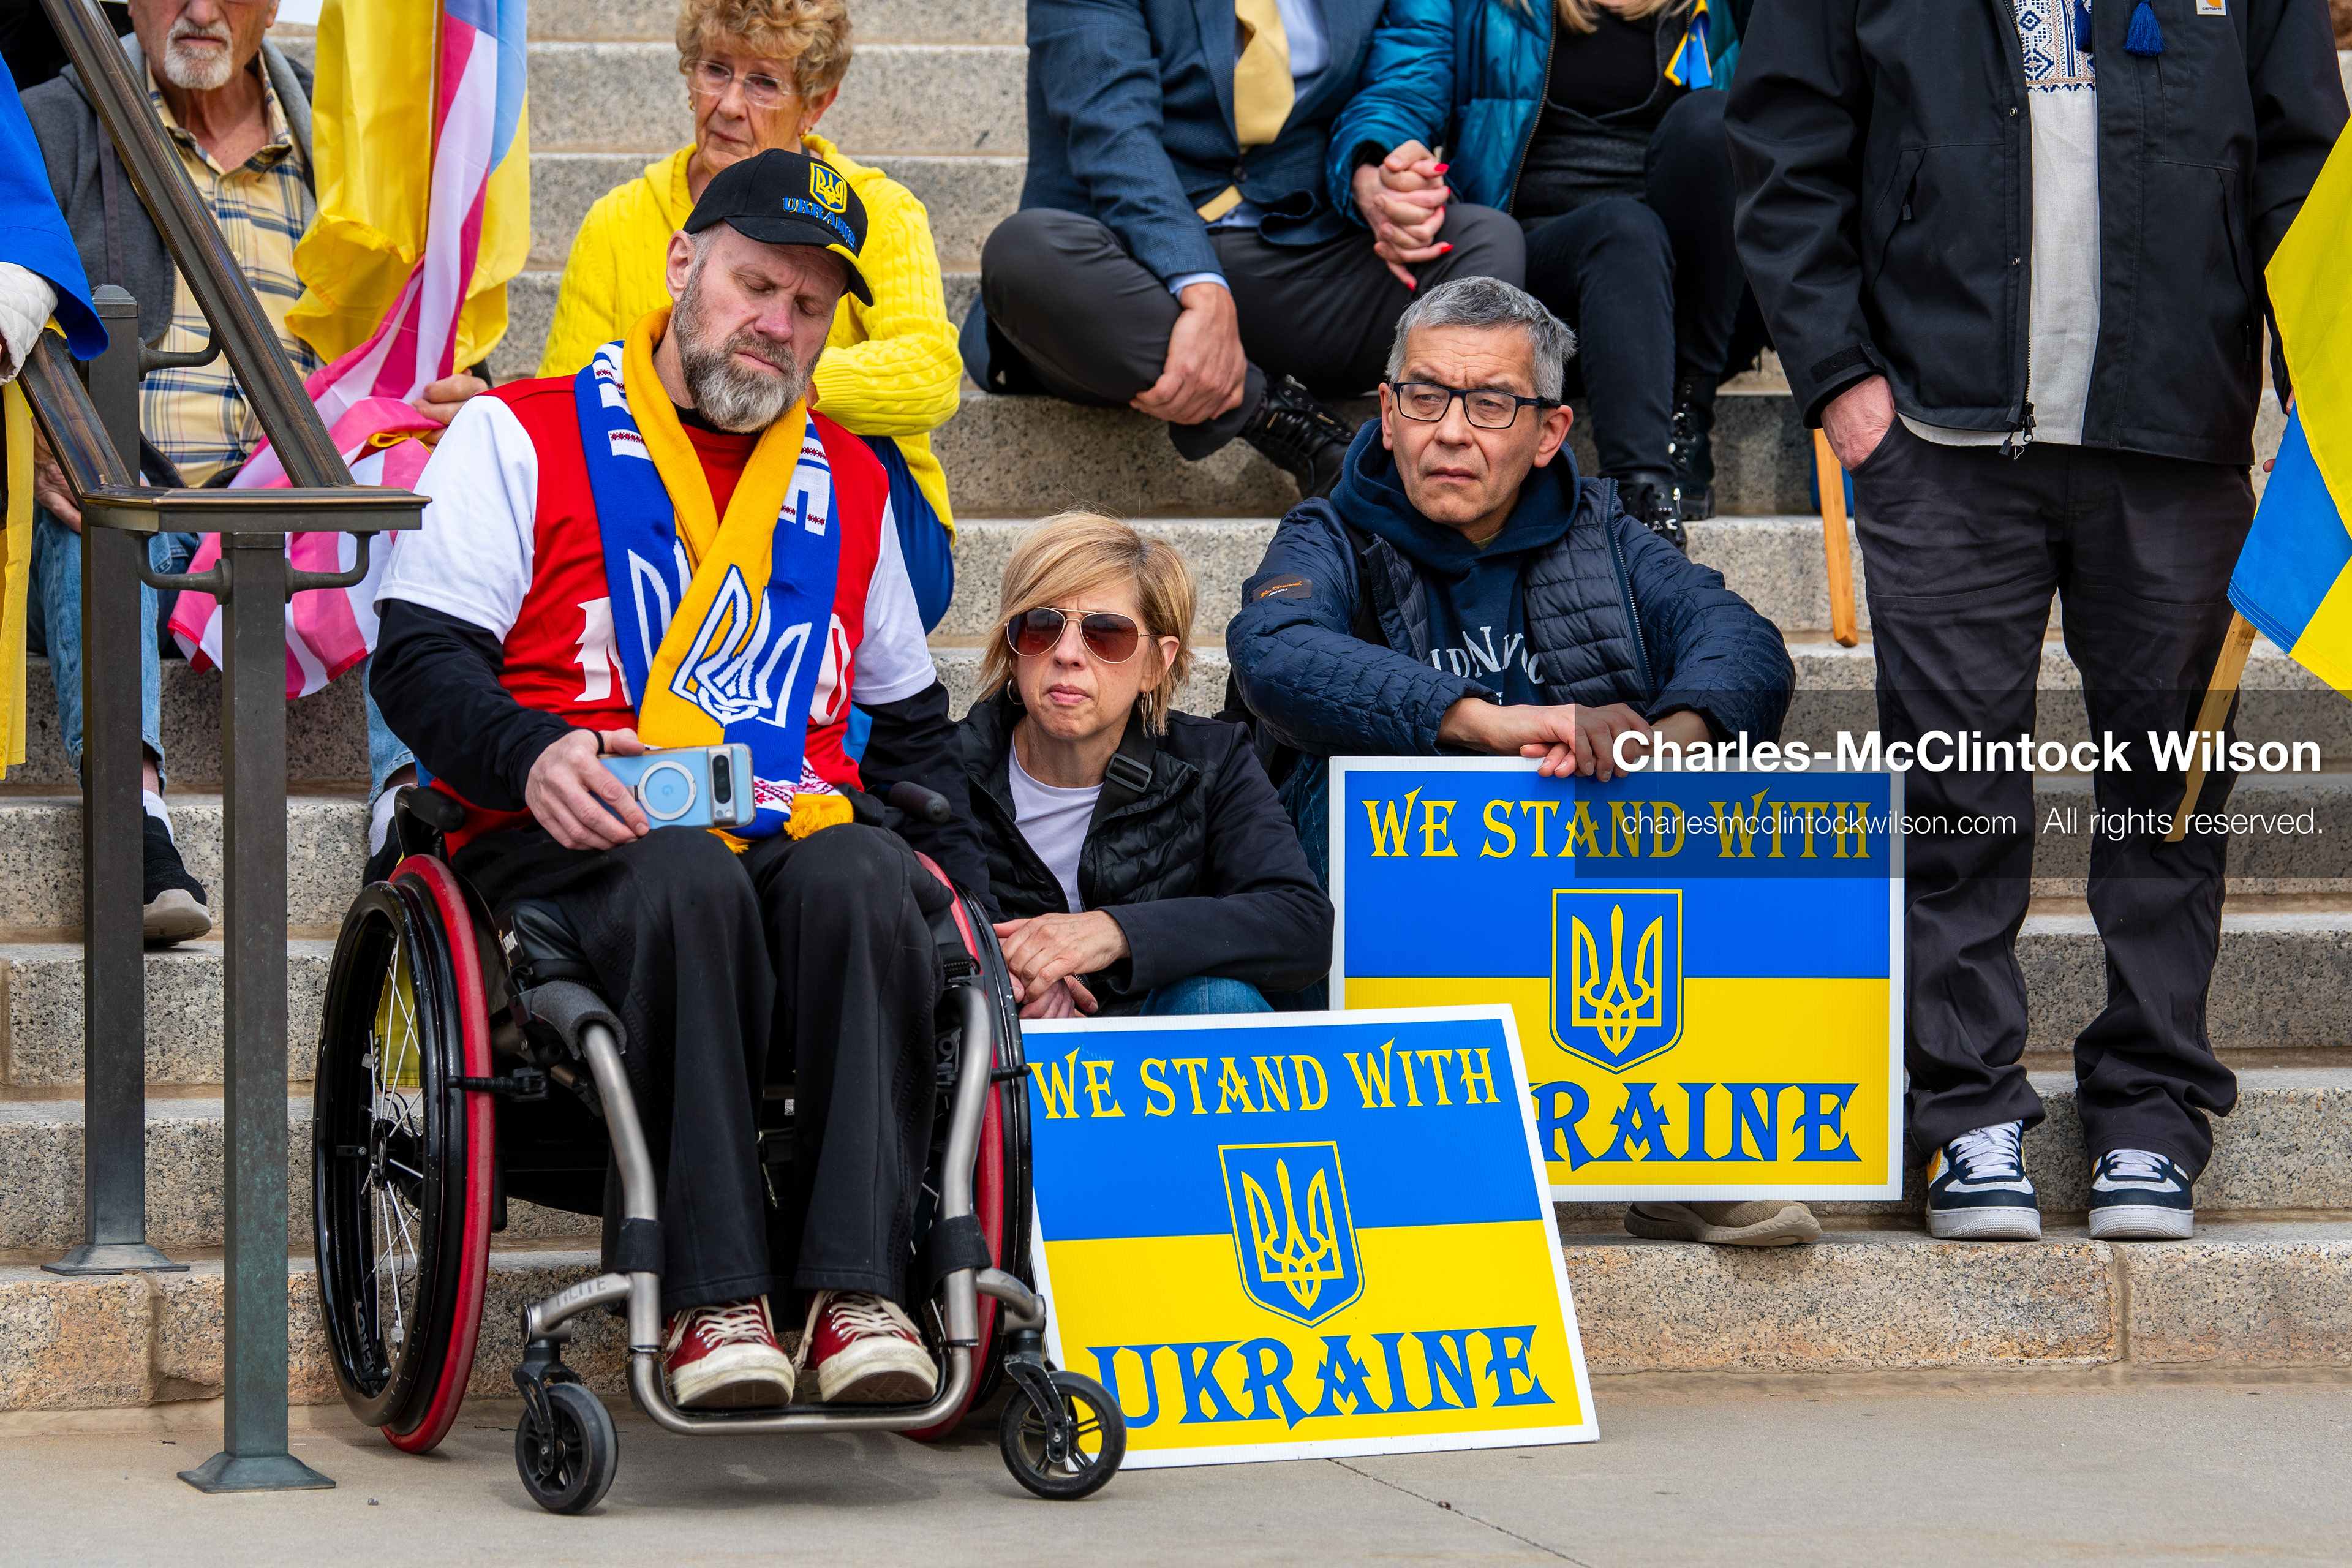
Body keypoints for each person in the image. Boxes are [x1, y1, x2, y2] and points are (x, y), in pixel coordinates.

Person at [372, 147, 989, 1410]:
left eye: (810, 309)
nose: (779, 324)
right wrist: (533, 752)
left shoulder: (853, 481)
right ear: (680, 267)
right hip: (574, 820)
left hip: (780, 819)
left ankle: (858, 1287)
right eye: (756, 285)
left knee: (874, 876)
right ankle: (713, 1295)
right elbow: (421, 661)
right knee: (678, 878)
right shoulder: (516, 431)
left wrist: (982, 912)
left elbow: (915, 731)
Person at [1726, 0, 2346, 1242]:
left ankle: (2154, 1113)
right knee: (1957, 784)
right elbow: (1786, 153)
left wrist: (2322, 399)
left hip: (2177, 433)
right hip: (1940, 440)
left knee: (2165, 789)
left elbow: (2307, 175)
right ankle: (1965, 1115)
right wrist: (1842, 381)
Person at [1228, 274, 1811, 1246]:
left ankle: (1671, 1154)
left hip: (1559, 899)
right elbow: (1273, 655)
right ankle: (1393, 1158)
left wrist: (1663, 743)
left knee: (1706, 801)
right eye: (1424, 396)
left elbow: (1744, 644)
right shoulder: (1328, 531)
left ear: (1547, 431)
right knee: (1343, 795)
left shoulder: (1607, 537)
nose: (1450, 431)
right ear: (1387, 407)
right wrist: (1495, 724)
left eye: (1490, 403)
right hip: (1389, 913)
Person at [19, 0, 480, 939]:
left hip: (309, 500)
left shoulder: (345, 135)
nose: (196, 9)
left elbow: (418, 328)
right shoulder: (53, 119)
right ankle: (132, 819)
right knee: (91, 514)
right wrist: (36, 421)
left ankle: (405, 814)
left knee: (424, 498)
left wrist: (457, 390)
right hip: (140, 495)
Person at [967, 0, 1528, 500]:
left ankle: (1446, 462)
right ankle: (1290, 424)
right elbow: (1112, 133)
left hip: (1296, 254)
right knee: (1025, 253)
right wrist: (1198, 284)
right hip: (1132, 276)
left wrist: (1371, 172)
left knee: (1485, 243)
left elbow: (1399, 81)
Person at [537, 0, 960, 641]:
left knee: (828, 444)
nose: (730, 105)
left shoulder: (876, 210)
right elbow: (571, 397)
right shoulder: (619, 220)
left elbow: (931, 373)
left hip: (868, 516)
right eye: (715, 70)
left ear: (816, 103)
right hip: (676, 501)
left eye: (763, 82)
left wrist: (784, 388)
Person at [1325, 0, 1755, 543]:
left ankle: (1685, 414)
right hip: (1538, 270)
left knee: (1714, 122)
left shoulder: (1723, 7)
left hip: (1696, 304)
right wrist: (1383, 164)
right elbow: (1400, 87)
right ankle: (1641, 498)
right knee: (1623, 229)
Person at [960, 511, 1333, 1020]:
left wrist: (1115, 932)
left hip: (1159, 1070)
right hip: (992, 1053)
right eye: (1041, 626)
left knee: (1216, 1001)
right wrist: (1014, 977)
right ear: (1013, 645)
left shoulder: (1211, 762)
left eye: (1105, 634)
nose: (1067, 653)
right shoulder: (947, 766)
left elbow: (1301, 927)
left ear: (1155, 664)